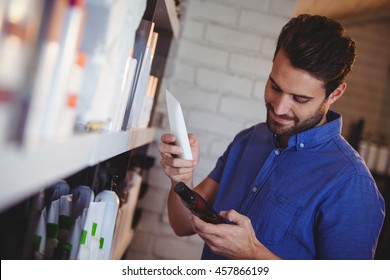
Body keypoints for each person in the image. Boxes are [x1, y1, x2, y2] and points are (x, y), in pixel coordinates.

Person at [158, 14, 385, 260]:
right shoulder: (249, 139)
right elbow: (181, 226)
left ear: (336, 93)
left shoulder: (352, 183)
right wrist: (181, 179)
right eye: (275, 87)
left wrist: (254, 254)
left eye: (300, 99)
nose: (279, 108)